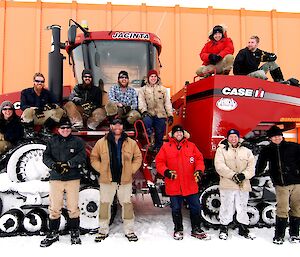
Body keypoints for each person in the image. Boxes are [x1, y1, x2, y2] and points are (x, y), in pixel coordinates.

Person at [90, 118, 142, 242]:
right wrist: (101, 169)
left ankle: (129, 231)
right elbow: (94, 158)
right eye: (114, 124)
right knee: (104, 205)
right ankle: (102, 231)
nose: (117, 126)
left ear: (122, 127)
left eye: (120, 124)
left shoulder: (131, 143)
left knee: (127, 205)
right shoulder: (101, 142)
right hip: (107, 180)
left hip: (124, 181)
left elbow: (138, 158)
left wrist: (131, 170)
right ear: (111, 126)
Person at [155, 125, 210, 240]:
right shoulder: (166, 147)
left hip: (190, 185)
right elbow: (159, 162)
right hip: (174, 185)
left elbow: (199, 160)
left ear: (183, 134)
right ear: (173, 134)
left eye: (180, 132)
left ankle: (196, 229)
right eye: (176, 132)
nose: (179, 134)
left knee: (195, 207)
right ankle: (178, 229)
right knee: (175, 208)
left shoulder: (192, 146)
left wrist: (199, 171)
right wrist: (166, 172)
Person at [40, 116, 86, 247]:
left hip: (72, 178)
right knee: (55, 207)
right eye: (62, 128)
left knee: (73, 208)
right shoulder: (52, 141)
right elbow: (46, 156)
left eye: (67, 127)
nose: (65, 130)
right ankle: (53, 233)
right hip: (56, 178)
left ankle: (74, 232)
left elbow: (82, 156)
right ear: (58, 129)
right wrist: (54, 165)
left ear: (70, 129)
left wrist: (69, 163)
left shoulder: (77, 141)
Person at [256, 125, 300, 244]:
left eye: (279, 136)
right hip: (281, 185)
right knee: (282, 209)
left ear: (282, 136)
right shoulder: (267, 150)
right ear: (270, 138)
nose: (277, 138)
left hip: (297, 183)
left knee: (297, 209)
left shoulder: (293, 147)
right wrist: (254, 175)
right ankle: (279, 235)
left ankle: (294, 234)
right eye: (274, 136)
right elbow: (261, 164)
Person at [214, 129, 255, 240]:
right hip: (228, 183)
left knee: (242, 206)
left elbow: (251, 168)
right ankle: (224, 227)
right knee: (226, 206)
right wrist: (233, 175)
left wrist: (243, 175)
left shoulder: (246, 151)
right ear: (227, 138)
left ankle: (243, 227)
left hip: (243, 184)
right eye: (231, 137)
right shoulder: (221, 150)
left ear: (238, 138)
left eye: (235, 137)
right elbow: (219, 166)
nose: (233, 139)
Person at [138, 69, 173, 151]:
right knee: (147, 122)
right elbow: (141, 101)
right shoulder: (143, 90)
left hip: (160, 114)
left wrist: (170, 114)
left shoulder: (163, 89)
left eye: (155, 76)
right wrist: (144, 111)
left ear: (157, 78)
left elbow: (167, 103)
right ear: (148, 78)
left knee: (160, 133)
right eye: (151, 76)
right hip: (148, 114)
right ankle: (150, 141)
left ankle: (158, 150)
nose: (153, 78)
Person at [20, 72, 64, 137]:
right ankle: (29, 132)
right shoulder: (25, 92)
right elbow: (22, 106)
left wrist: (53, 106)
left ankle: (45, 130)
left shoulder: (47, 93)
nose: (40, 83)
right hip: (32, 116)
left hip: (43, 115)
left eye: (42, 81)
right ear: (34, 82)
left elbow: (58, 103)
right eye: (37, 81)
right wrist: (32, 108)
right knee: (27, 110)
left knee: (60, 110)